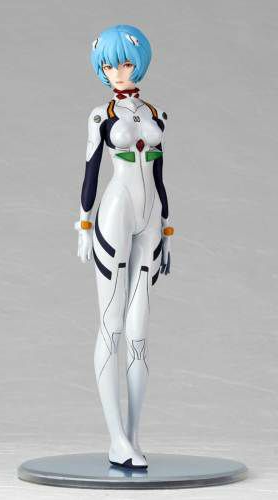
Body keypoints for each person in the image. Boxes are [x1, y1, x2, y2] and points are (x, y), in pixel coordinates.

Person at [74, 24, 174, 469]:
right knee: (111, 324)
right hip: (114, 212)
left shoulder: (156, 114)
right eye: (110, 65)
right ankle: (115, 438)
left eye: (126, 62)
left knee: (138, 331)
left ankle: (133, 436)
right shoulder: (101, 116)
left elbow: (160, 176)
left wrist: (167, 229)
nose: (118, 72)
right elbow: (91, 171)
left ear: (140, 63)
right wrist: (83, 224)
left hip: (150, 218)